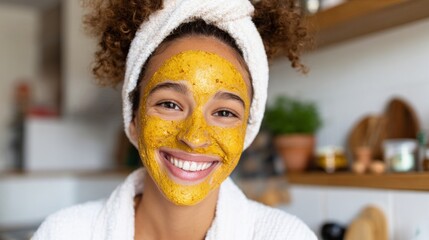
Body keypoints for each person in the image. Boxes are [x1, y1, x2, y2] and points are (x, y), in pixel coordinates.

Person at [33, 0, 316, 239]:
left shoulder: (286, 236)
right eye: (170, 104)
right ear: (133, 117)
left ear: (247, 129)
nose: (193, 137)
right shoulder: (64, 232)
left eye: (224, 112)